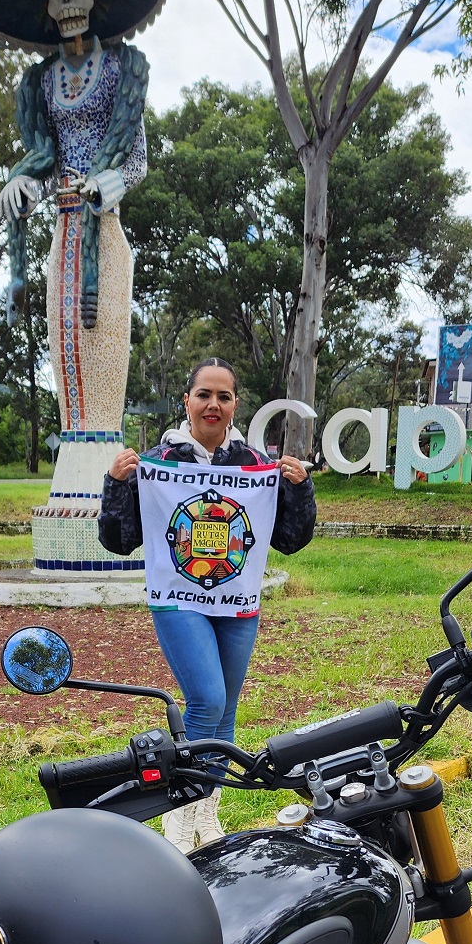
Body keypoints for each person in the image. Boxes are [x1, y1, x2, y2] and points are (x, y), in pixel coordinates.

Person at [99, 357, 315, 850]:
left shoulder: (255, 464)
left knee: (226, 712)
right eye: (204, 395)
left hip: (237, 601)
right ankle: (179, 812)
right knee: (207, 700)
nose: (213, 405)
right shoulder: (158, 461)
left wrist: (300, 491)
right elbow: (119, 541)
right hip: (180, 599)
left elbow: (287, 539)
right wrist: (117, 484)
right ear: (187, 401)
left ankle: (205, 810)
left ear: (236, 404)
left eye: (223, 396)